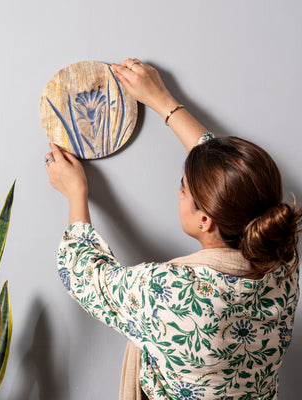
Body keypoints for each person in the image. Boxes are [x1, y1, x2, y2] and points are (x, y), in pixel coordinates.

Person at [44, 58, 301, 400]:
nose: (178, 191)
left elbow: (83, 274)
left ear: (205, 220)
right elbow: (229, 181)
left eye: (184, 188)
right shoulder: (282, 261)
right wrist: (164, 102)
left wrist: (75, 192)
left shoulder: (168, 290)